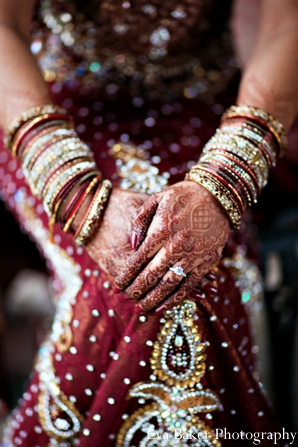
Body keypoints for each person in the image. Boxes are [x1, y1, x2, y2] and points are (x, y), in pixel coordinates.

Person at [0, 0, 298, 446]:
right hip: (50, 117)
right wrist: (77, 195)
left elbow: (285, 24)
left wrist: (225, 180)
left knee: (188, 279)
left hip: (209, 120)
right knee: (137, 280)